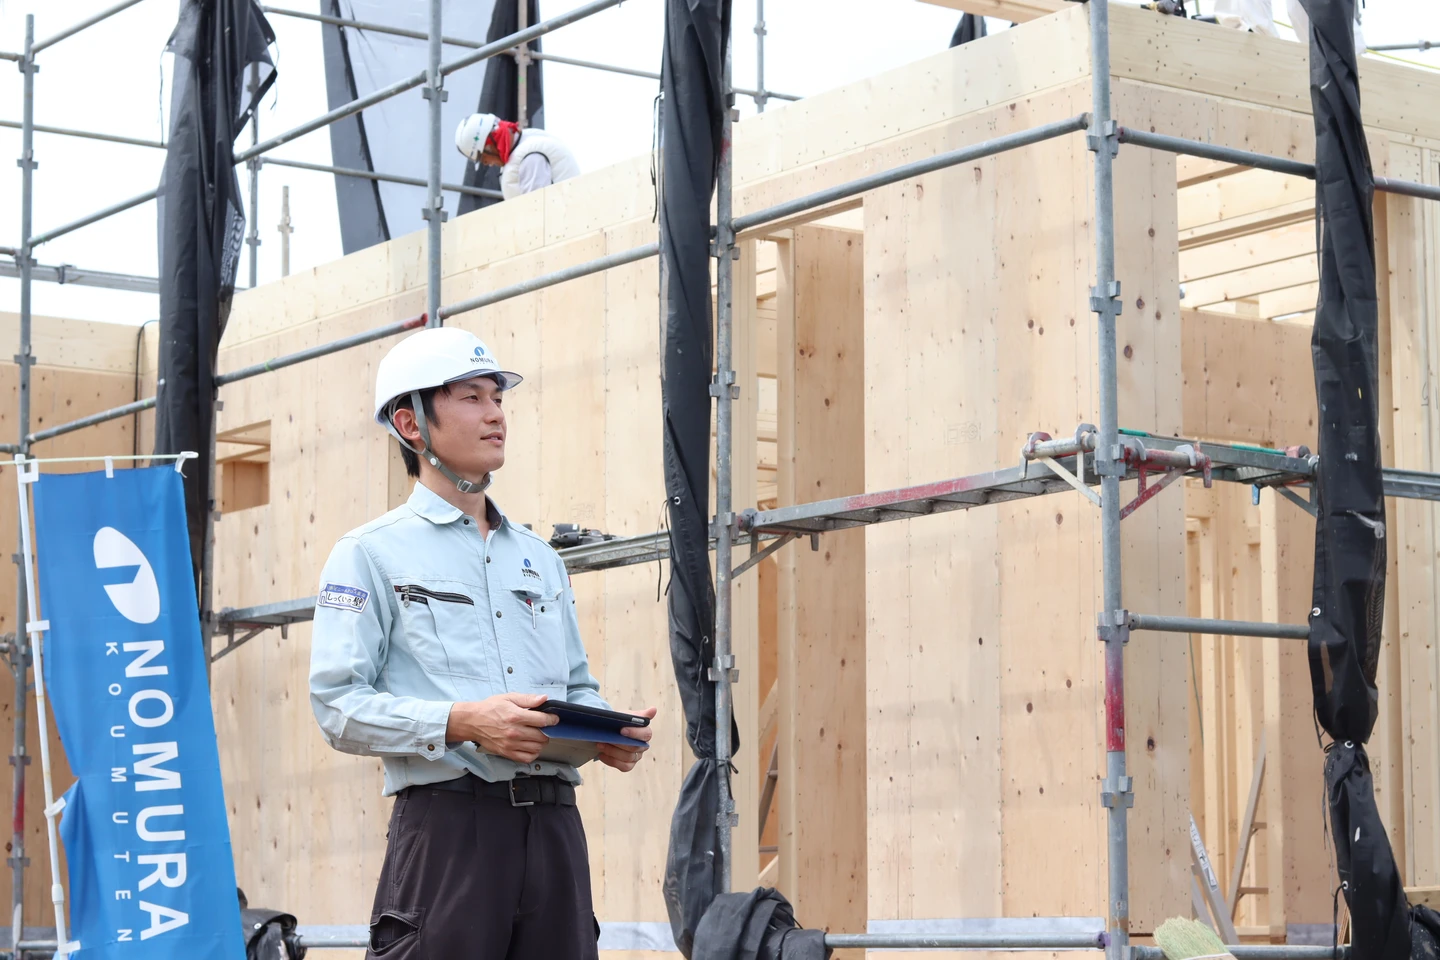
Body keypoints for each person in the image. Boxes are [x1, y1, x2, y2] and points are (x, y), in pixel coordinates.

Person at [308, 326, 654, 959]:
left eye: (498, 396)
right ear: (411, 425)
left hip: (554, 831)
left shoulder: (541, 559)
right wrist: (464, 722)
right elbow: (337, 707)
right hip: (449, 832)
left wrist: (605, 731)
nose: (496, 413)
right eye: (471, 397)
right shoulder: (368, 554)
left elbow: (577, 685)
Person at [455, 112, 581, 200]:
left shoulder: (530, 159)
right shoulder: (525, 145)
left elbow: (538, 213)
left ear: (489, 145)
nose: (487, 163)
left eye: (483, 158)